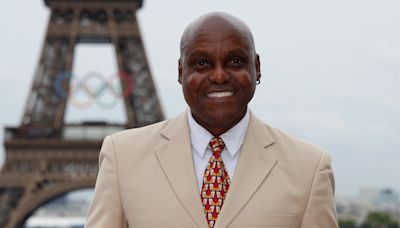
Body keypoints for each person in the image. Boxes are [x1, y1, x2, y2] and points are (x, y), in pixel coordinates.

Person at [85, 12, 338, 228]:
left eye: (235, 61)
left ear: (257, 67)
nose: (219, 76)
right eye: (202, 63)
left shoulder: (309, 168)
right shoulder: (122, 157)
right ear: (181, 72)